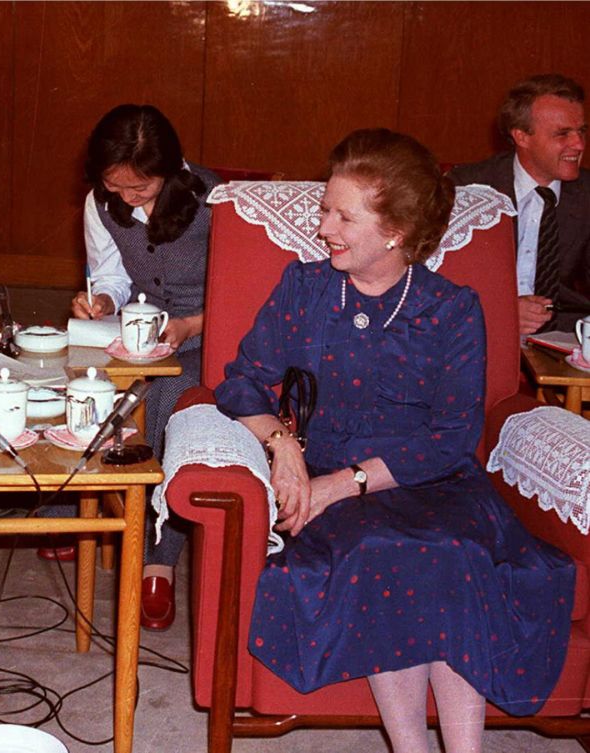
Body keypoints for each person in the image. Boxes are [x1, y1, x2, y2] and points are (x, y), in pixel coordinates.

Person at [215, 129, 573, 752]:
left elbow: (454, 436)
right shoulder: (305, 289)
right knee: (384, 550)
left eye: (341, 215)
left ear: (395, 232)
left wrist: (345, 483)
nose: (323, 225)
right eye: (325, 207)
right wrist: (286, 447)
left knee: (456, 551)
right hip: (340, 487)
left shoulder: (452, 308)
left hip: (429, 479)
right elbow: (242, 382)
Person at [42, 104, 219, 632]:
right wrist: (100, 303)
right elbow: (113, 277)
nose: (125, 198)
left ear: (169, 169)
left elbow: (246, 294)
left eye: (138, 188)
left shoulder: (215, 200)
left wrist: (190, 325)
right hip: (140, 330)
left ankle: (157, 560)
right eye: (114, 187)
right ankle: (88, 513)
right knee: (79, 382)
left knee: (167, 398)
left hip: (210, 330)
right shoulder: (103, 203)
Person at [449, 73, 590, 334]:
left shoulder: (587, 196)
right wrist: (500, 310)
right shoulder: (468, 188)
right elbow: (440, 282)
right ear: (522, 137)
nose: (579, 144)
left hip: (566, 338)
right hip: (480, 329)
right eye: (563, 134)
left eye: (581, 131)